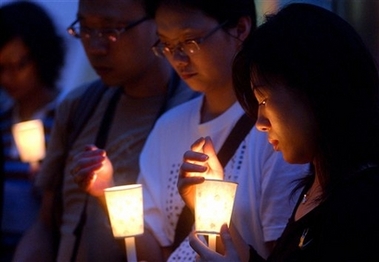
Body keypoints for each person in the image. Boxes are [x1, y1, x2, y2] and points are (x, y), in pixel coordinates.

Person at [184, 3, 379, 261]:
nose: (260, 123)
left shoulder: (365, 204)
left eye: (263, 99)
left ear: (313, 89)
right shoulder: (314, 188)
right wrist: (211, 206)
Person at [13, 0, 197, 261]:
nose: (95, 47)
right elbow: (46, 223)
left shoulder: (193, 111)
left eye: (112, 30)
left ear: (158, 24)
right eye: (85, 29)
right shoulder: (79, 106)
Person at [134, 0, 309, 261]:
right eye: (167, 45)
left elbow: (282, 250)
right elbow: (151, 245)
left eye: (190, 41)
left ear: (240, 29)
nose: (178, 58)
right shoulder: (167, 128)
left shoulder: (275, 130)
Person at [0, 1, 65, 261]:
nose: (9, 77)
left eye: (20, 64)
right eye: (1, 69)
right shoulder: (3, 122)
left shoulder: (66, 118)